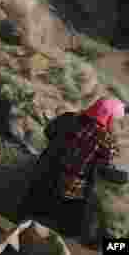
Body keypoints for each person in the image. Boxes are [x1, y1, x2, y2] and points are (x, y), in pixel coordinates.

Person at [18, 97, 124, 238]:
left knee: (33, 203)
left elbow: (48, 132)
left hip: (41, 180)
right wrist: (122, 177)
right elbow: (105, 170)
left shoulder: (68, 118)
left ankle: (27, 212)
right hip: (71, 192)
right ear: (110, 118)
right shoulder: (106, 141)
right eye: (117, 121)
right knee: (74, 229)